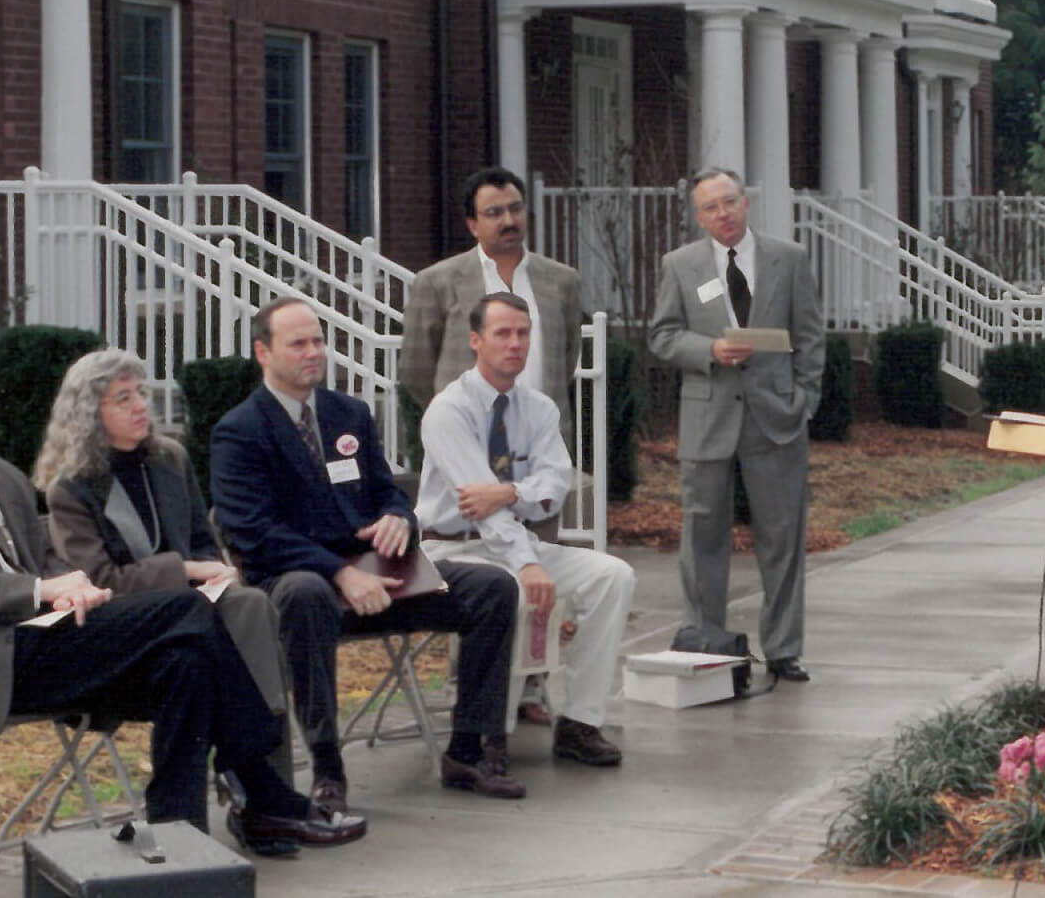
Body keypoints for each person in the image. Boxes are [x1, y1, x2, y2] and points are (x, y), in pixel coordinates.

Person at [0, 325, 364, 855]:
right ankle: (265, 789)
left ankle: (180, 843)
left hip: (45, 643)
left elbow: (44, 560)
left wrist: (69, 587)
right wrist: (37, 591)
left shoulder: (1, 475)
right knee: (185, 610)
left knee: (185, 663)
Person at [210, 297, 524, 812]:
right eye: (298, 343)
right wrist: (337, 573)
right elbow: (253, 532)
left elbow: (388, 491)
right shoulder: (239, 431)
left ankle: (468, 750)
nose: (314, 352)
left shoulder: (347, 413)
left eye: (318, 340)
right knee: (305, 594)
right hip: (299, 582)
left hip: (379, 575)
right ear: (263, 352)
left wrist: (400, 519)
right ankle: (328, 769)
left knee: (491, 588)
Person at [35, 348, 294, 783]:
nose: (141, 406)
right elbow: (99, 581)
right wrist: (189, 571)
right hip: (133, 629)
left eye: (141, 393)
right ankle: (263, 782)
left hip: (196, 610)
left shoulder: (169, 458)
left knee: (248, 603)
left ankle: (263, 779)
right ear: (88, 414)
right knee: (247, 615)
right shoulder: (71, 488)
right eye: (123, 398)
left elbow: (201, 541)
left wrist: (217, 570)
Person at [415, 291, 635, 767]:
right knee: (512, 585)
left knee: (612, 576)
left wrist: (511, 493)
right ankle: (493, 734)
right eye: (502, 333)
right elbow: (479, 507)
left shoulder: (538, 409)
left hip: (514, 539)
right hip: (450, 552)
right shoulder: (448, 411)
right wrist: (528, 558)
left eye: (522, 333)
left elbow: (556, 485)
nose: (515, 344)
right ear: (476, 341)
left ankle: (580, 722)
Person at [647, 168, 825, 682]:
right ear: (698, 216)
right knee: (702, 534)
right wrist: (709, 350)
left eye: (729, 202)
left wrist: (805, 400)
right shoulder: (680, 266)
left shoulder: (788, 260)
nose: (722, 214)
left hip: (777, 419)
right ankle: (704, 637)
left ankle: (785, 648)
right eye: (710, 208)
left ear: (745, 203)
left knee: (783, 536)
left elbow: (811, 335)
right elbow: (662, 336)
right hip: (709, 417)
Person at [399, 167, 583, 446]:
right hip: (465, 443)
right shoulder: (437, 282)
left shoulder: (561, 281)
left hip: (542, 444)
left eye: (515, 209)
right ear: (473, 225)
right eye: (494, 213)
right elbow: (415, 370)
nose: (509, 220)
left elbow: (566, 359)